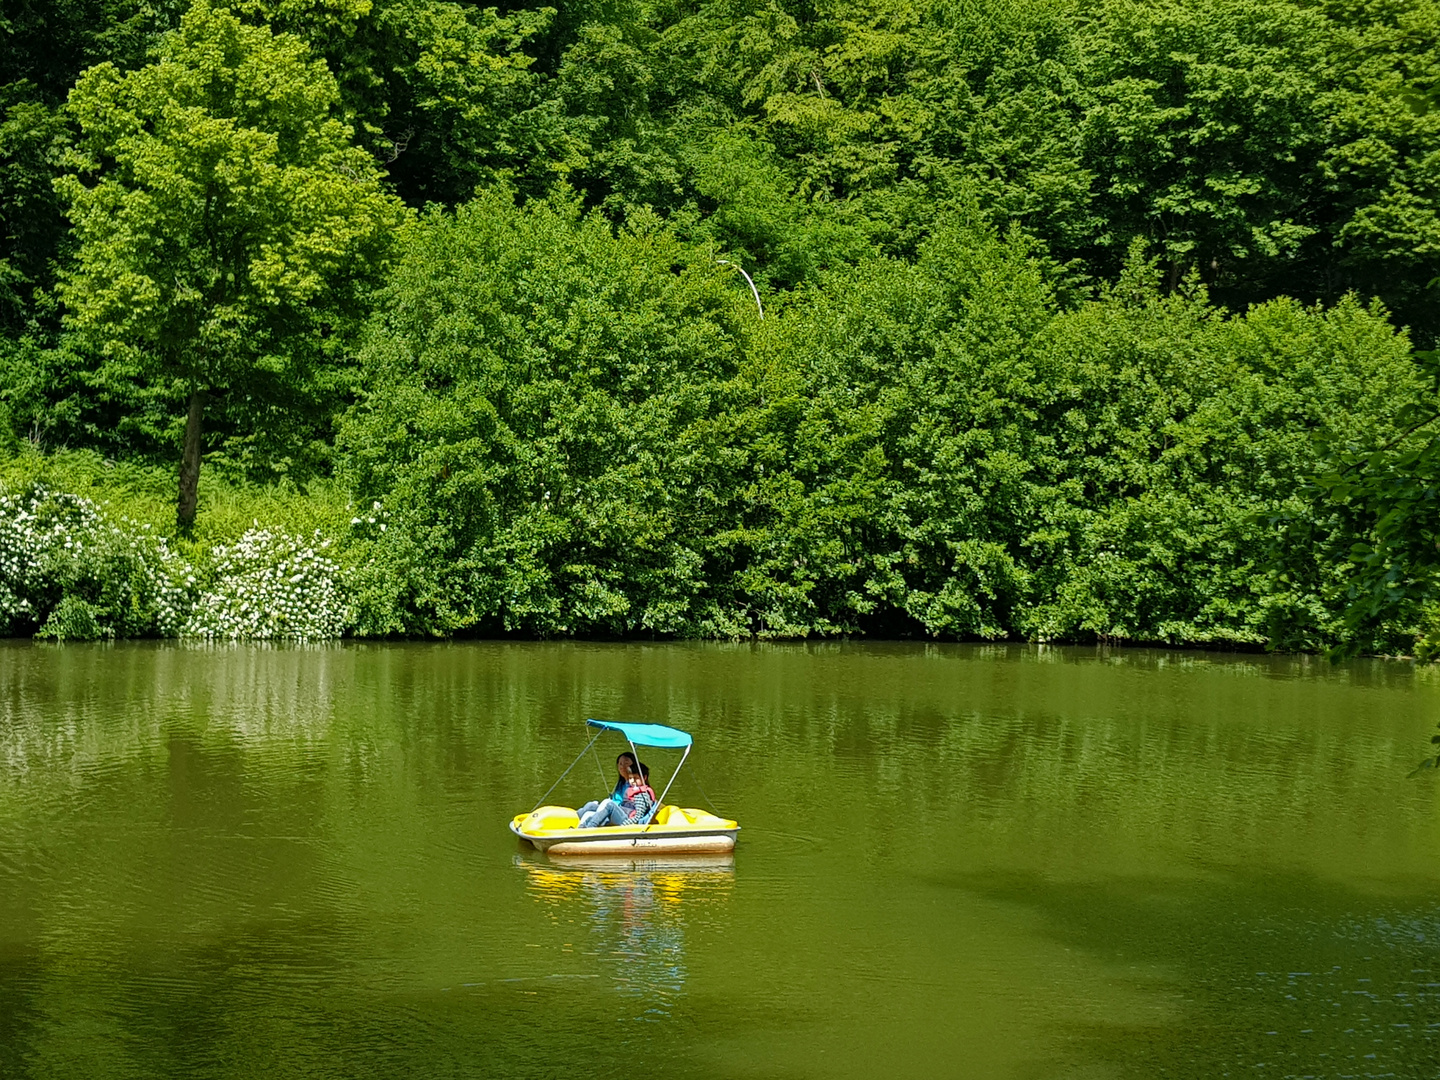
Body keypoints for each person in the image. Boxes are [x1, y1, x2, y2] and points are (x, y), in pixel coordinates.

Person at [579, 761, 657, 828]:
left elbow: (637, 817)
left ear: (645, 777)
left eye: (636, 778)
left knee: (610, 805)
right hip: (623, 814)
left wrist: (622, 827)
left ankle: (591, 827)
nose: (632, 781)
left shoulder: (642, 795)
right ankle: (582, 828)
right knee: (592, 813)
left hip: (627, 821)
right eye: (630, 778)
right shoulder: (633, 790)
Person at [576, 752, 638, 823]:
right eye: (620, 764)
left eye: (626, 764)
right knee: (591, 805)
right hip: (610, 808)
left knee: (604, 804)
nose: (622, 767)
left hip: (618, 813)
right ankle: (576, 818)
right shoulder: (621, 783)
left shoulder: (635, 785)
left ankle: (590, 823)